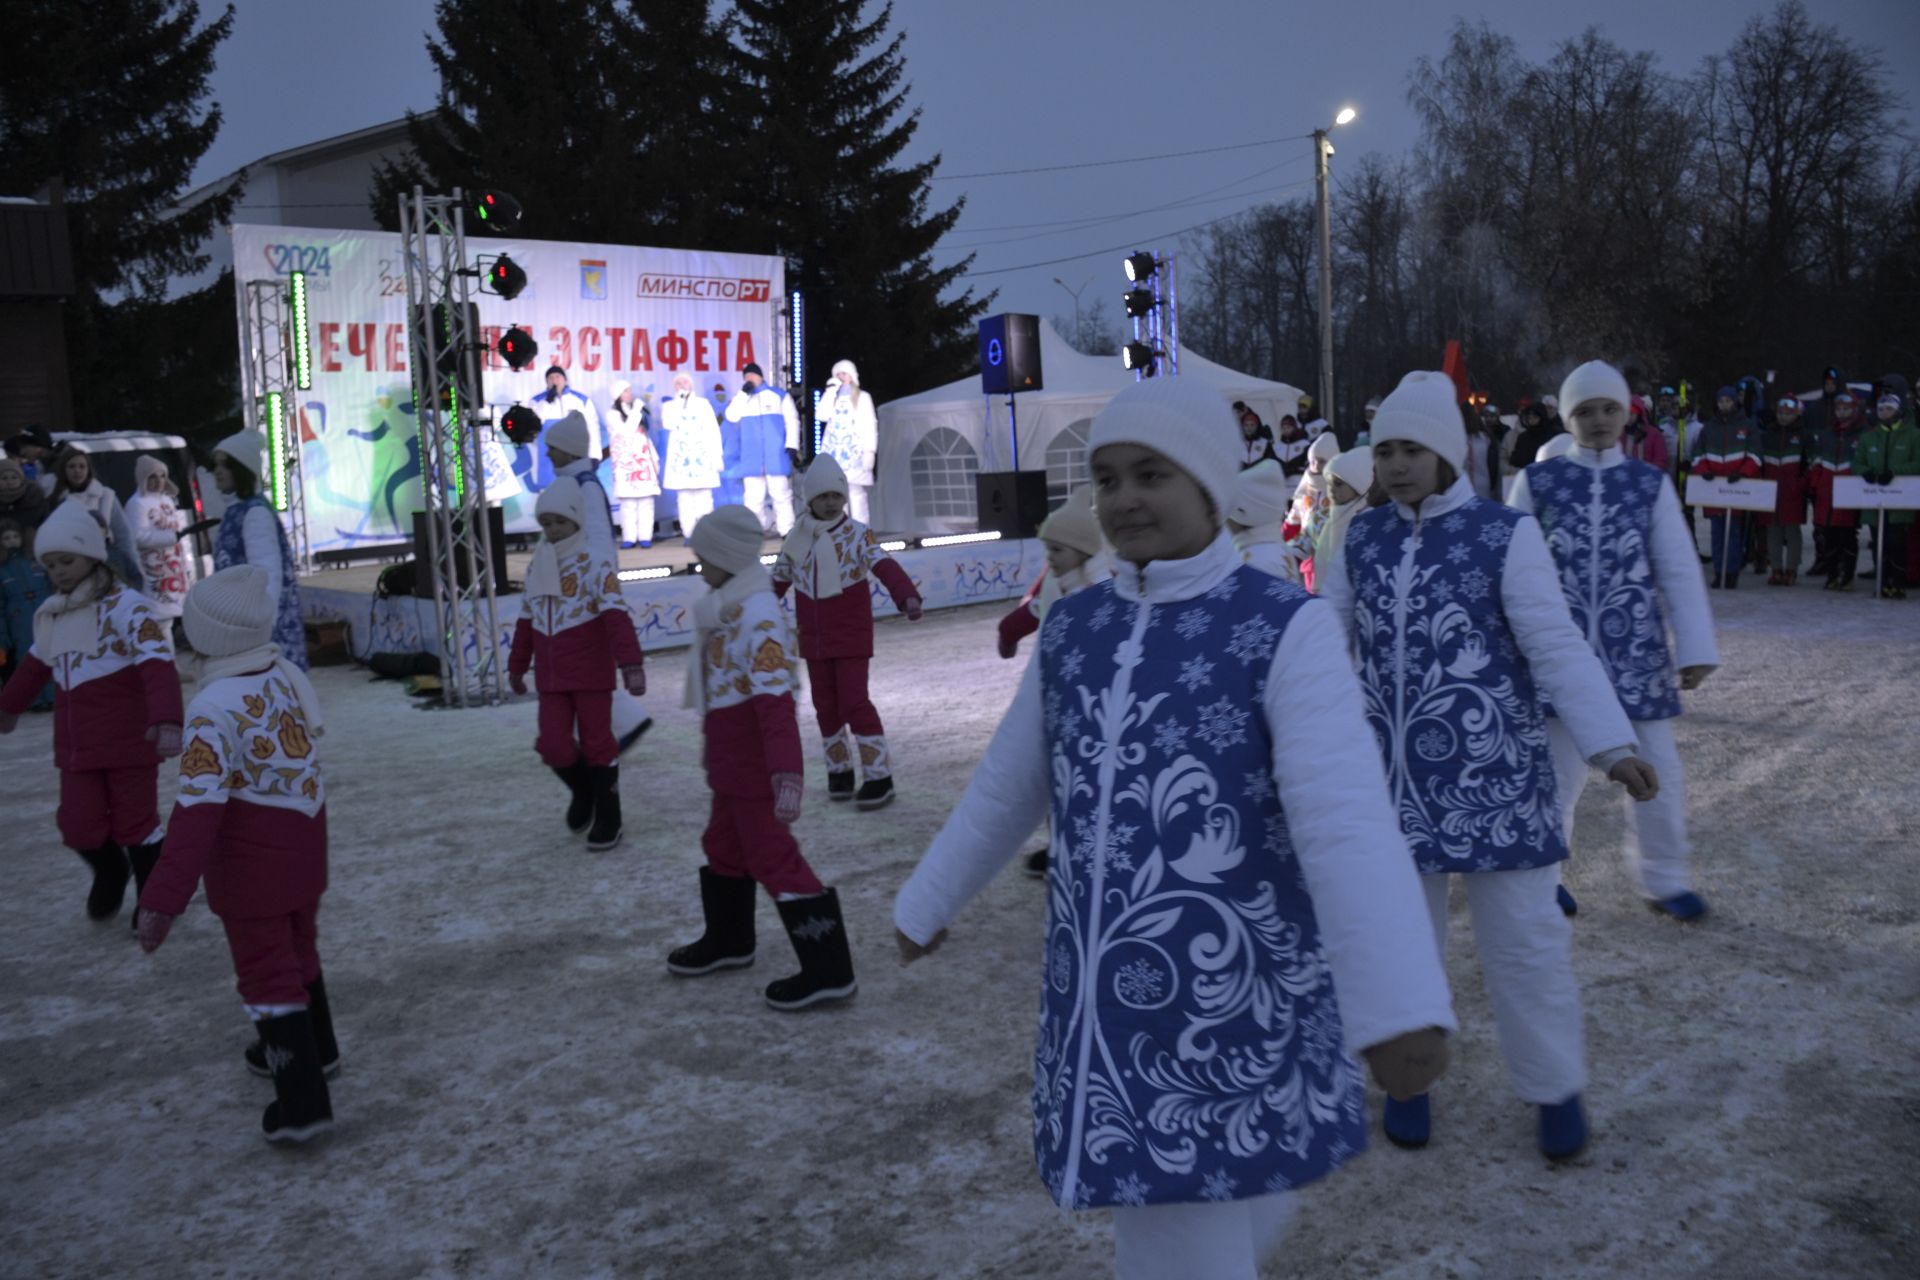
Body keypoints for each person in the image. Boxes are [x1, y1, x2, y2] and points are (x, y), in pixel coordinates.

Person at [893, 376, 1455, 1279]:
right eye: (1106, 479)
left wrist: (1398, 1004)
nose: (1122, 500)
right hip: (1111, 1004)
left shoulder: (1281, 627)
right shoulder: (1076, 630)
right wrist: (929, 896)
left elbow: (1344, 816)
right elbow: (1011, 783)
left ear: (1208, 487)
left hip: (1236, 992)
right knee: (1184, 1212)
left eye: (1149, 474)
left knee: (1197, 1212)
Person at [1317, 369, 1658, 1161]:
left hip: (1495, 781)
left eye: (1413, 449)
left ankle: (1553, 1084)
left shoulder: (1504, 535)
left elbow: (1554, 643)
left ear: (1448, 454)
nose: (1397, 465)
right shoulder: (1360, 538)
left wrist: (1612, 743)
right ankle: (1408, 1081)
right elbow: (1323, 639)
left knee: (1524, 944)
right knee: (1401, 943)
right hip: (1394, 786)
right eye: (1386, 450)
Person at [132, 565, 336, 1143]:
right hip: (303, 846)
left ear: (207, 637)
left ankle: (300, 1104)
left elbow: (197, 813)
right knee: (298, 951)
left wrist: (162, 899)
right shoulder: (281, 672)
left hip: (252, 866)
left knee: (267, 973)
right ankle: (318, 1049)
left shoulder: (213, 708)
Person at [1510, 360, 1718, 921]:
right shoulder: (1538, 482)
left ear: (1627, 413)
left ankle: (1665, 879)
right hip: (1560, 658)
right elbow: (1505, 568)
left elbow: (1676, 566)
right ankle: (1542, 877)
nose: (1598, 420)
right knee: (1554, 776)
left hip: (1637, 657)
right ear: (1566, 416)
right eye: (1584, 411)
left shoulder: (1646, 484)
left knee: (1658, 775)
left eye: (1609, 409)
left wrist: (1695, 648)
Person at [669, 504, 857, 1012]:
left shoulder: (759, 614)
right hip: (731, 765)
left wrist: (786, 774)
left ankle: (828, 969)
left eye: (704, 555)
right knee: (722, 845)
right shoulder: (724, 606)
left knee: (773, 857)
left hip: (754, 769)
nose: (698, 563)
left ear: (728, 557)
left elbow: (776, 704)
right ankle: (730, 941)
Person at [0, 501, 183, 924]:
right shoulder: (56, 614)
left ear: (91, 555)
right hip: (77, 747)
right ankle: (110, 870)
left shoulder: (126, 606)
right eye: (50, 565)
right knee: (77, 826)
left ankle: (154, 897)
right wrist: (7, 707)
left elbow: (156, 663)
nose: (59, 571)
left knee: (136, 824)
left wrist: (167, 718)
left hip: (129, 744)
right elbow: (33, 667)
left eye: (67, 560)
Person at [772, 455, 923, 810]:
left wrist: (907, 596)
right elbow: (778, 580)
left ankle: (878, 776)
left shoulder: (857, 535)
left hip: (851, 637)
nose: (830, 503)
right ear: (809, 499)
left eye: (835, 496)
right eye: (822, 496)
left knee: (855, 702)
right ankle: (839, 772)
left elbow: (885, 565)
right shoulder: (796, 539)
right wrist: (753, 614)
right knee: (826, 707)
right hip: (813, 640)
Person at [508, 478, 647, 849]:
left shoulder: (594, 563)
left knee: (598, 744)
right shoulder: (538, 565)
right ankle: (586, 792)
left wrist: (631, 663)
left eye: (560, 522)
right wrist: (517, 665)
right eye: (547, 523)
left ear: (577, 522)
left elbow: (616, 616)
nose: (553, 530)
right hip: (551, 678)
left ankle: (610, 816)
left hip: (590, 676)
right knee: (553, 745)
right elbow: (526, 620)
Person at [993, 490, 1110, 880]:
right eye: (1049, 549)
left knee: (1087, 778)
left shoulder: (1104, 590)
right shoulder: (1058, 581)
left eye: (1057, 550)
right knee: (1054, 774)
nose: (1049, 559)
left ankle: (1084, 846)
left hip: (1092, 704)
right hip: (1057, 698)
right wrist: (1008, 631)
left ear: (1082, 549)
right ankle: (1061, 842)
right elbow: (1035, 609)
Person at [544, 413, 654, 754]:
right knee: (579, 664)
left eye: (552, 448)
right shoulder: (574, 483)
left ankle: (624, 722)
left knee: (583, 664)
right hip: (574, 587)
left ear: (567, 450)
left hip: (585, 590)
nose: (548, 455)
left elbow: (599, 540)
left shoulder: (584, 487)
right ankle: (611, 724)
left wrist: (600, 587)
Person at [207, 430, 307, 668]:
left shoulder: (254, 514)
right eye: (216, 464)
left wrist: (263, 629)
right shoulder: (236, 511)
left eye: (227, 464)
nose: (218, 471)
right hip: (244, 628)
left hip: (260, 636)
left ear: (242, 469)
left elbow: (266, 574)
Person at [1688, 386, 1762, 588]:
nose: (1725, 405)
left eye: (1728, 401)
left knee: (1734, 533)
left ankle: (1732, 572)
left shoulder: (1747, 426)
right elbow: (1697, 455)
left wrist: (1743, 473)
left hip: (1737, 488)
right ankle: (1719, 571)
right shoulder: (1708, 428)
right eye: (1721, 401)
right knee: (1717, 533)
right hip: (1714, 488)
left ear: (1735, 402)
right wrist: (1704, 471)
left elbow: (1756, 456)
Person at [1853, 391, 1920, 599]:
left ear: (1899, 411)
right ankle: (1882, 583)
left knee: (1897, 543)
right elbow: (1856, 462)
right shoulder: (1869, 436)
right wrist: (1865, 472)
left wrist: (1895, 471)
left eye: (1889, 408)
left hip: (1900, 502)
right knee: (1879, 544)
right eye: (1881, 409)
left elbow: (1917, 463)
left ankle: (1898, 583)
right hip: (1875, 502)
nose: (1884, 412)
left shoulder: (1914, 435)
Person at [723, 363, 801, 534]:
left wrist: (792, 445)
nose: (749, 379)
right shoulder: (742, 399)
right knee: (752, 499)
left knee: (781, 495)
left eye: (751, 375)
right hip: (752, 458)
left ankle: (787, 531)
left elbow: (792, 421)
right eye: (746, 377)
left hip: (776, 455)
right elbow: (731, 416)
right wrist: (743, 394)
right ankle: (755, 531)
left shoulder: (779, 395)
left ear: (761, 376)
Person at [48, 445, 141, 584]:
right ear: (64, 470)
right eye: (72, 467)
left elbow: (123, 534)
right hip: (75, 561)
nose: (77, 471)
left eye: (81, 466)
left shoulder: (106, 496)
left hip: (109, 558)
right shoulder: (58, 501)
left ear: (88, 469)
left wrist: (133, 565)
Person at [1807, 391, 1866, 591]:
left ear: (1855, 410)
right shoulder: (1826, 435)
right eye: (1839, 409)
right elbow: (1816, 463)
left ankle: (1847, 576)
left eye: (1846, 409)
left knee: (1848, 536)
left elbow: (1864, 464)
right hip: (1826, 493)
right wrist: (1814, 485)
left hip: (1850, 492)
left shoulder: (1863, 434)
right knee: (1829, 537)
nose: (1842, 413)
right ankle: (1832, 575)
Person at [0, 517, 56, 711]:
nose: (11, 541)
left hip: (41, 608)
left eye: (15, 536)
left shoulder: (35, 563)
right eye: (6, 538)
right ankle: (36, 700)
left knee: (49, 651)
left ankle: (53, 695)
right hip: (18, 618)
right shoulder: (3, 570)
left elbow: (50, 587)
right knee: (27, 657)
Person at [660, 372, 724, 539]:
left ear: (692, 385)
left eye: (685, 381)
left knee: (705, 498)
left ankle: (707, 533)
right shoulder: (669, 406)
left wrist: (717, 457)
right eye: (678, 382)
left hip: (702, 457)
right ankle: (689, 534)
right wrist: (681, 403)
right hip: (681, 459)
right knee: (684, 499)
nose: (682, 385)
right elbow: (669, 424)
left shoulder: (703, 404)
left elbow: (713, 431)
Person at [124, 456, 190, 618]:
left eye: (162, 476)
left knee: (179, 614)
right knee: (160, 618)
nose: (159, 481)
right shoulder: (136, 503)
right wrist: (169, 538)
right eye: (153, 476)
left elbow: (178, 532)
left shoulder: (168, 500)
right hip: (154, 570)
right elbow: (137, 537)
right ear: (143, 478)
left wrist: (185, 565)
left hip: (175, 568)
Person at [814, 360, 879, 524]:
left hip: (855, 453)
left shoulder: (863, 397)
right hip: (834, 454)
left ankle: (862, 531)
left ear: (851, 375)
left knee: (856, 496)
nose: (841, 377)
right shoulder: (832, 397)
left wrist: (870, 452)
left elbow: (870, 425)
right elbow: (820, 415)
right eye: (838, 374)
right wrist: (829, 393)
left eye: (844, 373)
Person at [1759, 397, 1811, 585]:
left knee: (1792, 531)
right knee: (1772, 531)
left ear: (1796, 414)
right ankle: (1776, 568)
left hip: (1793, 492)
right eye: (1781, 413)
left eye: (1788, 414)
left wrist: (1800, 485)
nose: (1783, 417)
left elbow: (1811, 464)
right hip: (1771, 490)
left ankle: (1791, 568)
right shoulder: (1767, 434)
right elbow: (1760, 463)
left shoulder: (1804, 435)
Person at [605, 380, 661, 549]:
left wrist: (654, 459)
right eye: (625, 391)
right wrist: (636, 410)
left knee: (646, 501)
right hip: (626, 463)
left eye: (630, 390)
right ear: (617, 395)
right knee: (628, 502)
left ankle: (646, 536)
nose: (630, 393)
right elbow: (626, 432)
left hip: (642, 461)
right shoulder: (612, 414)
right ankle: (629, 537)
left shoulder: (635, 411)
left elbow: (644, 436)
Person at [1309, 448, 1374, 588]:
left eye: (1338, 484)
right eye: (1329, 483)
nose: (1331, 489)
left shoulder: (1367, 520)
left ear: (1359, 485)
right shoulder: (1331, 518)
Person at [1224, 458, 1294, 580]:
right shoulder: (1269, 549)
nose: (1223, 519)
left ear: (1244, 514)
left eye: (1228, 510)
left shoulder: (1259, 561)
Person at [533, 365, 601, 461]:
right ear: (547, 382)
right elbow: (534, 423)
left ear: (565, 379)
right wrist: (547, 402)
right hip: (549, 452)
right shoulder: (537, 401)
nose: (554, 380)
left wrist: (595, 455)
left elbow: (592, 426)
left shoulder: (581, 400)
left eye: (557, 377)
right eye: (550, 378)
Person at [1505, 401, 1563, 470]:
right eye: (1529, 418)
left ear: (1542, 417)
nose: (1531, 420)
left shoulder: (1554, 434)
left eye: (1535, 417)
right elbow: (1515, 460)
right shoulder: (1523, 437)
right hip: (1529, 475)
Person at [0, 454, 51, 531]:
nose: (9, 481)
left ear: (21, 479)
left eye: (14, 477)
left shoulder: (34, 497)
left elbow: (47, 523)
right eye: (4, 478)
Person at [1234, 403, 1276, 467]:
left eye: (1252, 425)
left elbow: (1272, 462)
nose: (1249, 428)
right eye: (1246, 425)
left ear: (1257, 426)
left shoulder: (1265, 443)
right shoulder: (1237, 442)